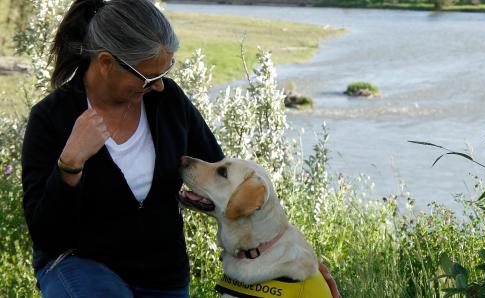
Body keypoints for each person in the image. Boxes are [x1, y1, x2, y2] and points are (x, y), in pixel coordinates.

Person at [21, 0, 341, 297]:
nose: (159, 85)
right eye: (149, 76)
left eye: (166, 72)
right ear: (106, 63)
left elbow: (225, 184)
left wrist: (297, 264)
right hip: (81, 266)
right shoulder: (52, 119)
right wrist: (71, 162)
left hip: (162, 275)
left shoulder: (167, 100)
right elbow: (48, 237)